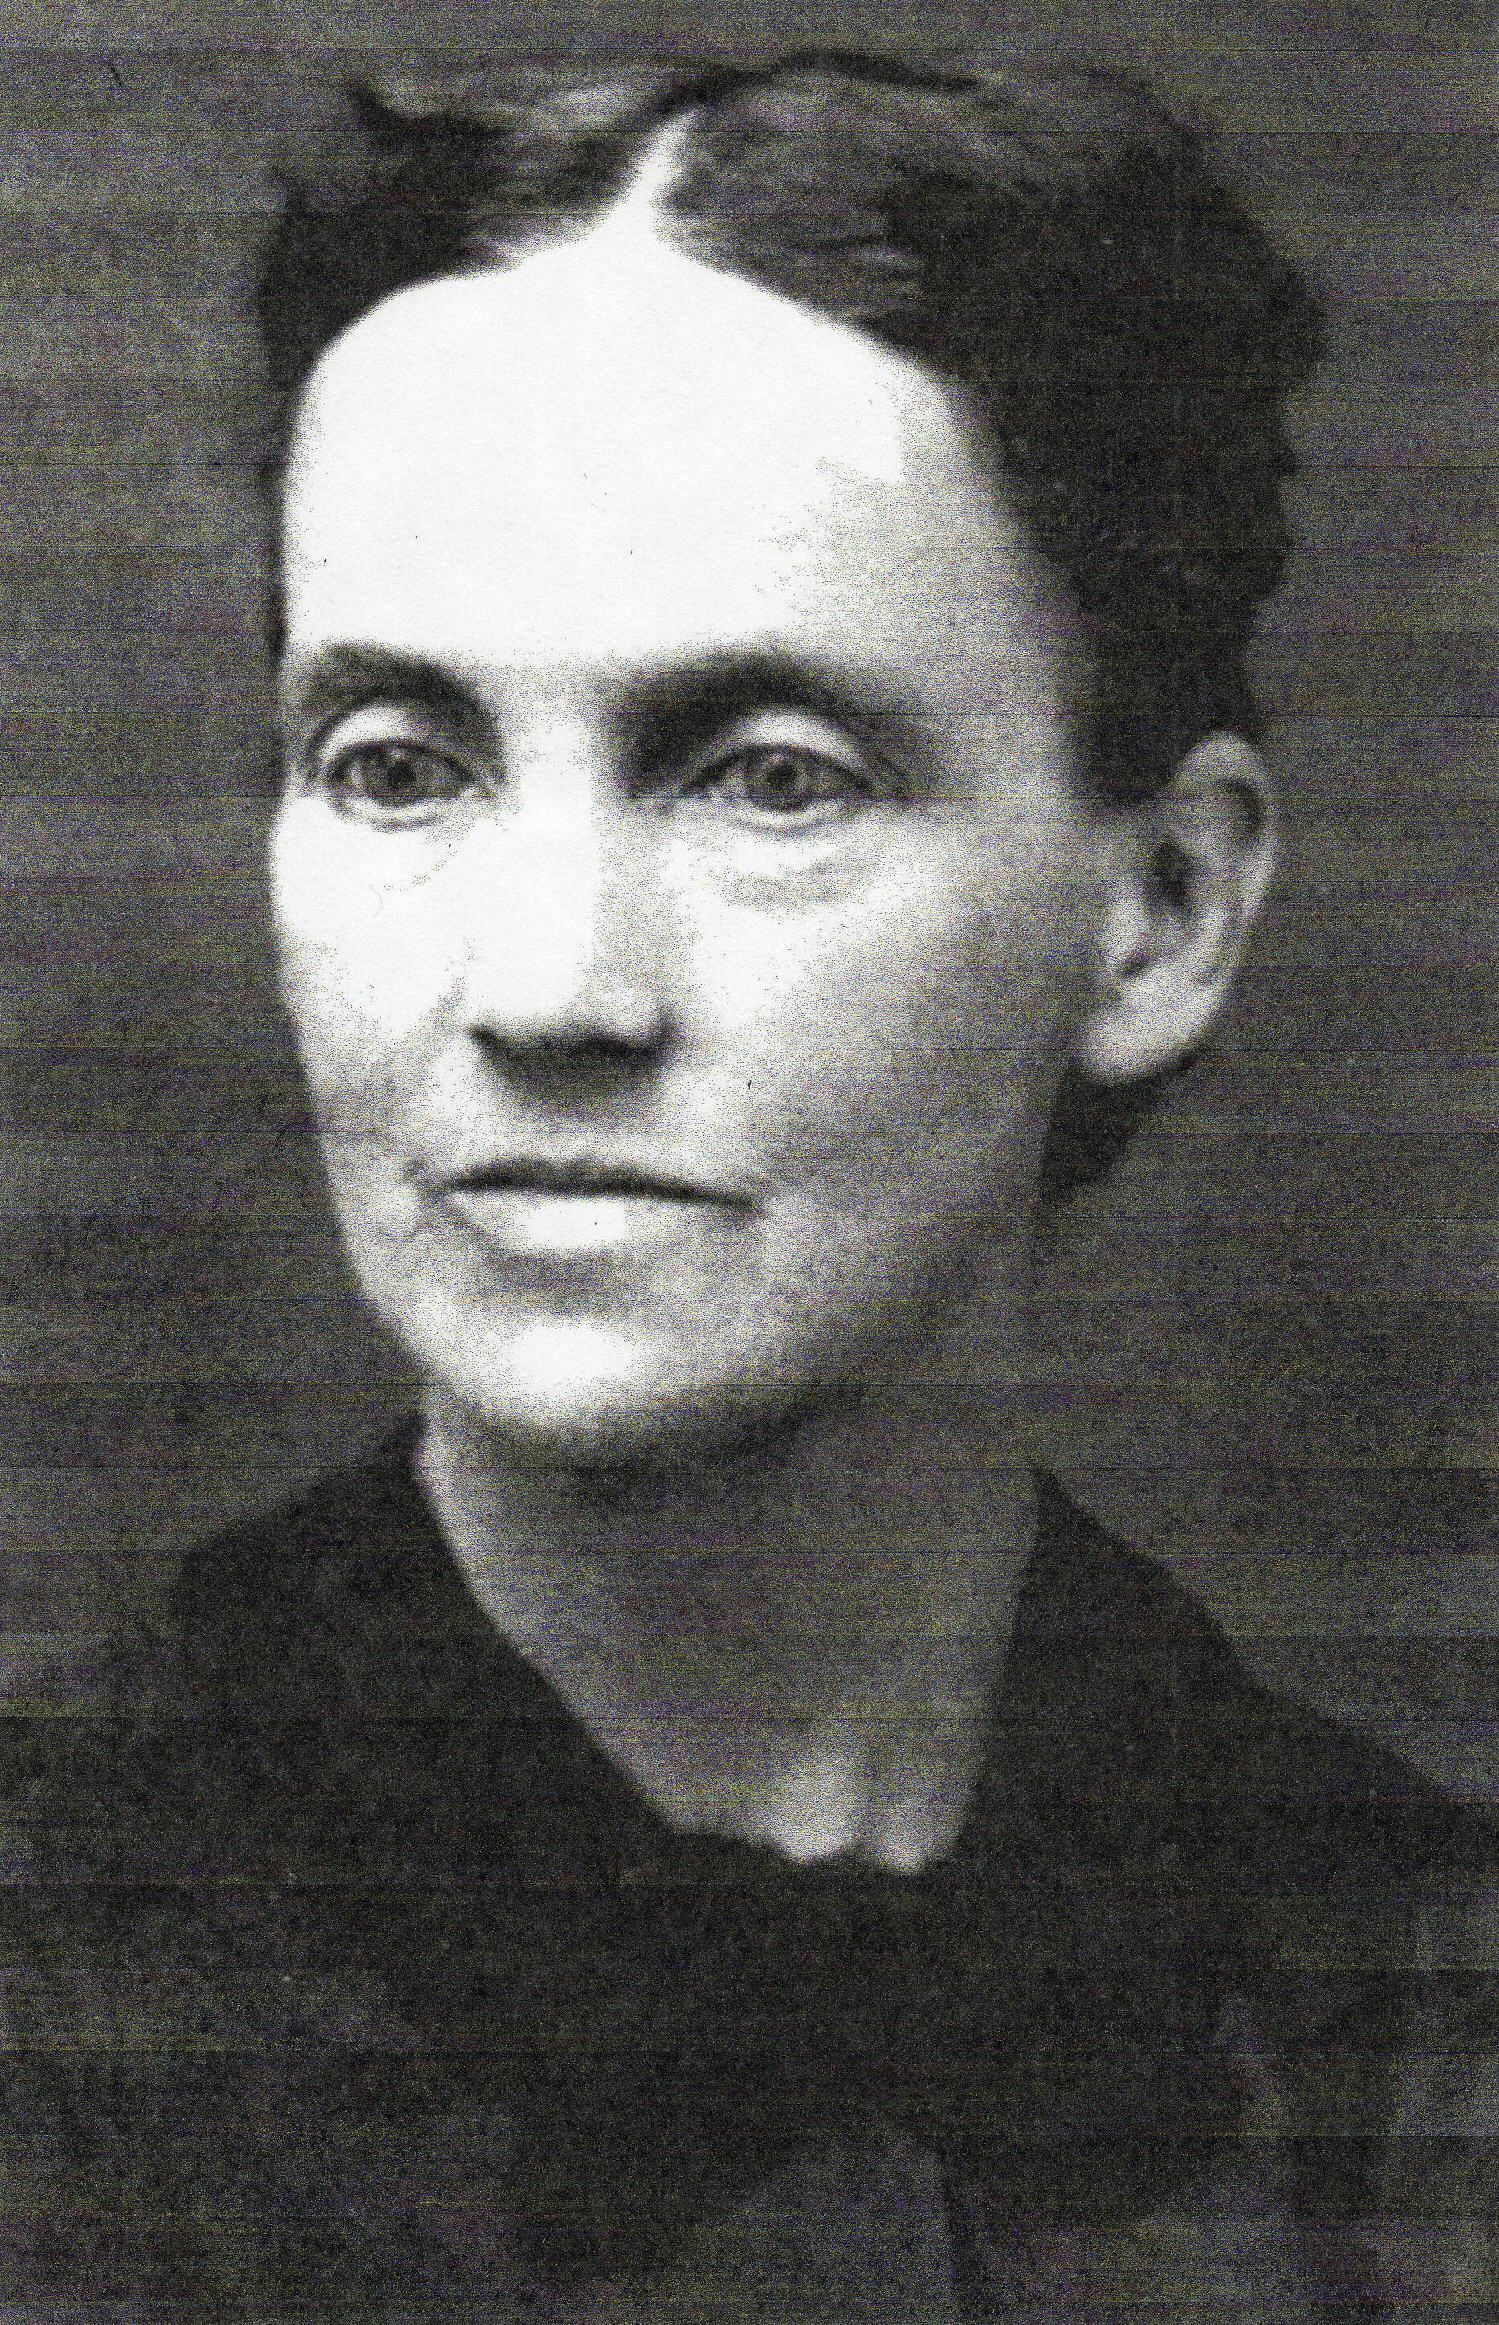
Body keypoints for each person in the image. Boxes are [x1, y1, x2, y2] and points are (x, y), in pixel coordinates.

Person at [5, 49, 1493, 2320]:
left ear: (1163, 910)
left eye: (769, 778)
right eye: (397, 766)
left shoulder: (1418, 2037)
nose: (548, 986)